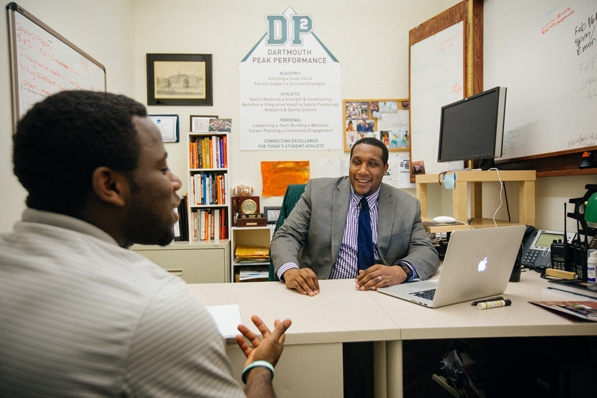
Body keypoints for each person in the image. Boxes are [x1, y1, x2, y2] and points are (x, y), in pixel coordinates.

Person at [0, 90, 291, 397]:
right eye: (162, 167)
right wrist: (260, 369)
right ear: (110, 185)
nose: (176, 181)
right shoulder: (155, 309)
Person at [270, 137, 441, 398]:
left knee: (433, 340)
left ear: (385, 169)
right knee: (358, 355)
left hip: (381, 298)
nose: (362, 171)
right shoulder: (318, 192)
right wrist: (291, 270)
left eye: (372, 164)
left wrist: (401, 270)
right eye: (356, 162)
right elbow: (286, 236)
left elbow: (426, 251)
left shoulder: (406, 205)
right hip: (324, 294)